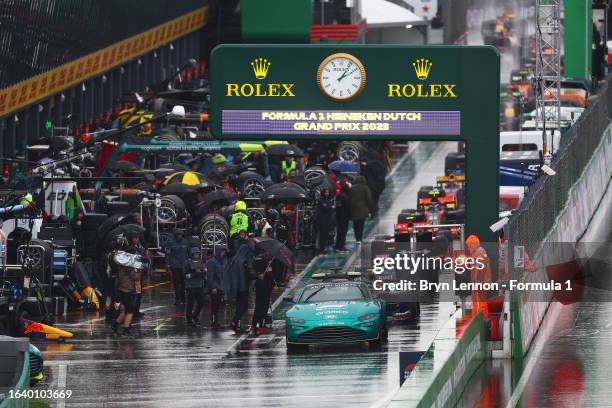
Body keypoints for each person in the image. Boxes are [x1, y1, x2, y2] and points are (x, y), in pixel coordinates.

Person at [111, 237, 143, 337]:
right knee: (130, 311)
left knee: (124, 311)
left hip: (120, 289)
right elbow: (136, 277)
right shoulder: (130, 266)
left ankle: (115, 325)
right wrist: (140, 269)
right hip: (127, 290)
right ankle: (126, 330)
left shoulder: (120, 264)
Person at [224, 231, 253, 333]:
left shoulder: (236, 260)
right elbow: (245, 275)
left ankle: (236, 323)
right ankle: (235, 322)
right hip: (242, 287)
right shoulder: (241, 263)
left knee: (242, 305)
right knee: (242, 305)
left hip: (239, 287)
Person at [465, 235, 492, 320]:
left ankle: (478, 319)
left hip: (479, 283)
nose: (468, 249)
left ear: (473, 245)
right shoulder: (481, 251)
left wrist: (477, 282)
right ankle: (483, 317)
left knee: (478, 301)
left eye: (469, 246)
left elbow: (480, 269)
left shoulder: (478, 253)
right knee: (482, 301)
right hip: (482, 282)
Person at [166, 229, 190, 305]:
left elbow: (189, 253)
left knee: (184, 283)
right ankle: (177, 299)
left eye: (180, 234)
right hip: (175, 266)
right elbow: (168, 254)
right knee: (176, 283)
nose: (179, 236)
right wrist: (167, 264)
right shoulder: (171, 243)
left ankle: (183, 298)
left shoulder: (186, 242)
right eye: (177, 234)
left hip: (183, 266)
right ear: (175, 235)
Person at [183, 247, 206, 327]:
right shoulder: (187, 262)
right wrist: (195, 273)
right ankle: (189, 320)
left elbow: (203, 274)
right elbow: (186, 276)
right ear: (192, 254)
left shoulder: (200, 262)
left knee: (201, 302)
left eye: (198, 254)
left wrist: (204, 272)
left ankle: (195, 316)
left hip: (199, 285)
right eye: (195, 254)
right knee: (190, 303)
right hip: (191, 286)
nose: (197, 255)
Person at [206, 246, 228, 329]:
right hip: (215, 287)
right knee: (214, 305)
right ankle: (214, 322)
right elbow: (210, 277)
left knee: (217, 305)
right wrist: (212, 287)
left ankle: (216, 321)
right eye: (222, 252)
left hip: (220, 287)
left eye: (224, 252)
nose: (223, 253)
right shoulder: (212, 262)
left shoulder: (221, 262)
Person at [348, 175, 374, 244]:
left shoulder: (352, 188)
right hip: (363, 209)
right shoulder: (365, 188)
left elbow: (349, 197)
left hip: (354, 208)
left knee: (355, 224)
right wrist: (370, 208)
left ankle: (357, 238)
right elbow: (369, 199)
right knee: (361, 224)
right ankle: (360, 238)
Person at [251, 256, 272, 334]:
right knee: (264, 305)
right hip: (265, 286)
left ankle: (254, 324)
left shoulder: (257, 261)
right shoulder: (268, 263)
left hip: (258, 285)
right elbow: (270, 275)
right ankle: (261, 324)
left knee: (258, 305)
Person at [317, 188, 336, 253]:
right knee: (322, 235)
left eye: (328, 192)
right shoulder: (321, 200)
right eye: (326, 192)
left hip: (328, 220)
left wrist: (330, 207)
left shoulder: (329, 200)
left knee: (325, 235)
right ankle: (321, 248)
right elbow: (328, 208)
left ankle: (323, 247)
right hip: (322, 220)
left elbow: (331, 208)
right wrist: (331, 207)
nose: (327, 194)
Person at [335, 177, 351, 251]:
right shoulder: (347, 197)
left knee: (339, 231)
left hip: (339, 216)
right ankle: (341, 246)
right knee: (343, 232)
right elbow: (348, 207)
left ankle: (338, 245)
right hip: (345, 217)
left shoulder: (339, 196)